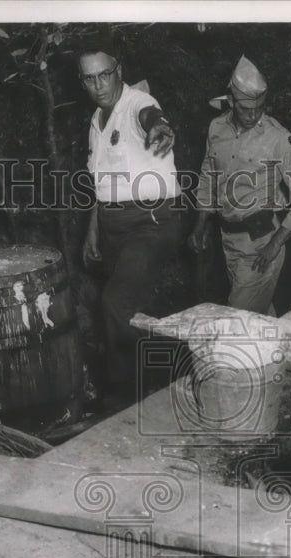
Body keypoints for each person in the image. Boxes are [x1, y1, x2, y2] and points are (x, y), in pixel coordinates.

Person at [79, 46, 183, 401]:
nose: (98, 84)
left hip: (150, 222)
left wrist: (160, 126)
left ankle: (126, 397)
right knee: (131, 309)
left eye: (104, 74)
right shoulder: (96, 120)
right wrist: (93, 231)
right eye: (89, 78)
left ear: (118, 70)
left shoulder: (138, 102)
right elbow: (99, 184)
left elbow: (151, 115)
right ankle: (156, 379)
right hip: (112, 227)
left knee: (115, 303)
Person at [189, 56, 291, 316]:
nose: (253, 115)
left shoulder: (278, 138)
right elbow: (208, 176)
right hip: (228, 241)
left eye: (259, 108)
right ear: (232, 100)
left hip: (262, 245)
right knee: (260, 317)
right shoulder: (216, 128)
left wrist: (277, 244)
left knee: (238, 320)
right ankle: (281, 356)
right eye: (245, 108)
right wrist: (201, 222)